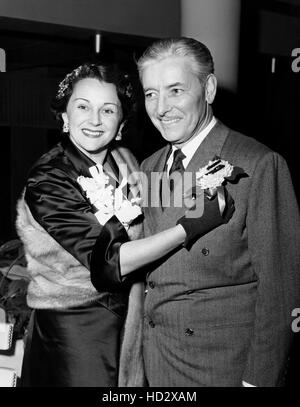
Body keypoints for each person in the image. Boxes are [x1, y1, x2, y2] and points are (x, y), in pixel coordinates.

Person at [15, 62, 234, 387]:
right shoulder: (48, 179)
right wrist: (189, 227)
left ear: (120, 123)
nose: (93, 120)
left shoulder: (126, 161)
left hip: (131, 321)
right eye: (82, 107)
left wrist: (203, 184)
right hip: (74, 330)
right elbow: (110, 262)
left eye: (107, 110)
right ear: (64, 116)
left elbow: (161, 196)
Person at [135, 37, 300, 387]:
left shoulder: (258, 164)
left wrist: (257, 381)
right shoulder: (149, 167)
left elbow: (281, 289)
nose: (161, 107)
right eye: (151, 93)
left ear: (208, 89)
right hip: (156, 360)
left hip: (221, 367)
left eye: (175, 90)